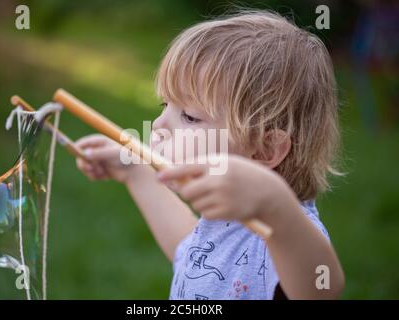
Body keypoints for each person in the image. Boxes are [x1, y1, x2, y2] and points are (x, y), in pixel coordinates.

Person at [75, 10, 345, 300]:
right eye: (165, 105)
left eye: (189, 117)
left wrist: (277, 206)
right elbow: (191, 254)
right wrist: (136, 173)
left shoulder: (284, 233)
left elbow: (322, 288)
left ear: (265, 150)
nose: (158, 125)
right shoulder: (228, 224)